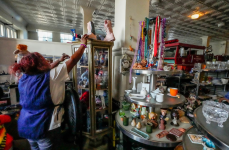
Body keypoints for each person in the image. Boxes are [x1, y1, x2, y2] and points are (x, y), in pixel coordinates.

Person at [11, 34, 89, 150]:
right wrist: (83, 44)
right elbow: (72, 60)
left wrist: (59, 60)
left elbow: (49, 67)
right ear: (40, 64)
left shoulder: (23, 78)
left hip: (26, 125)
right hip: (45, 125)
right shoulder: (52, 76)